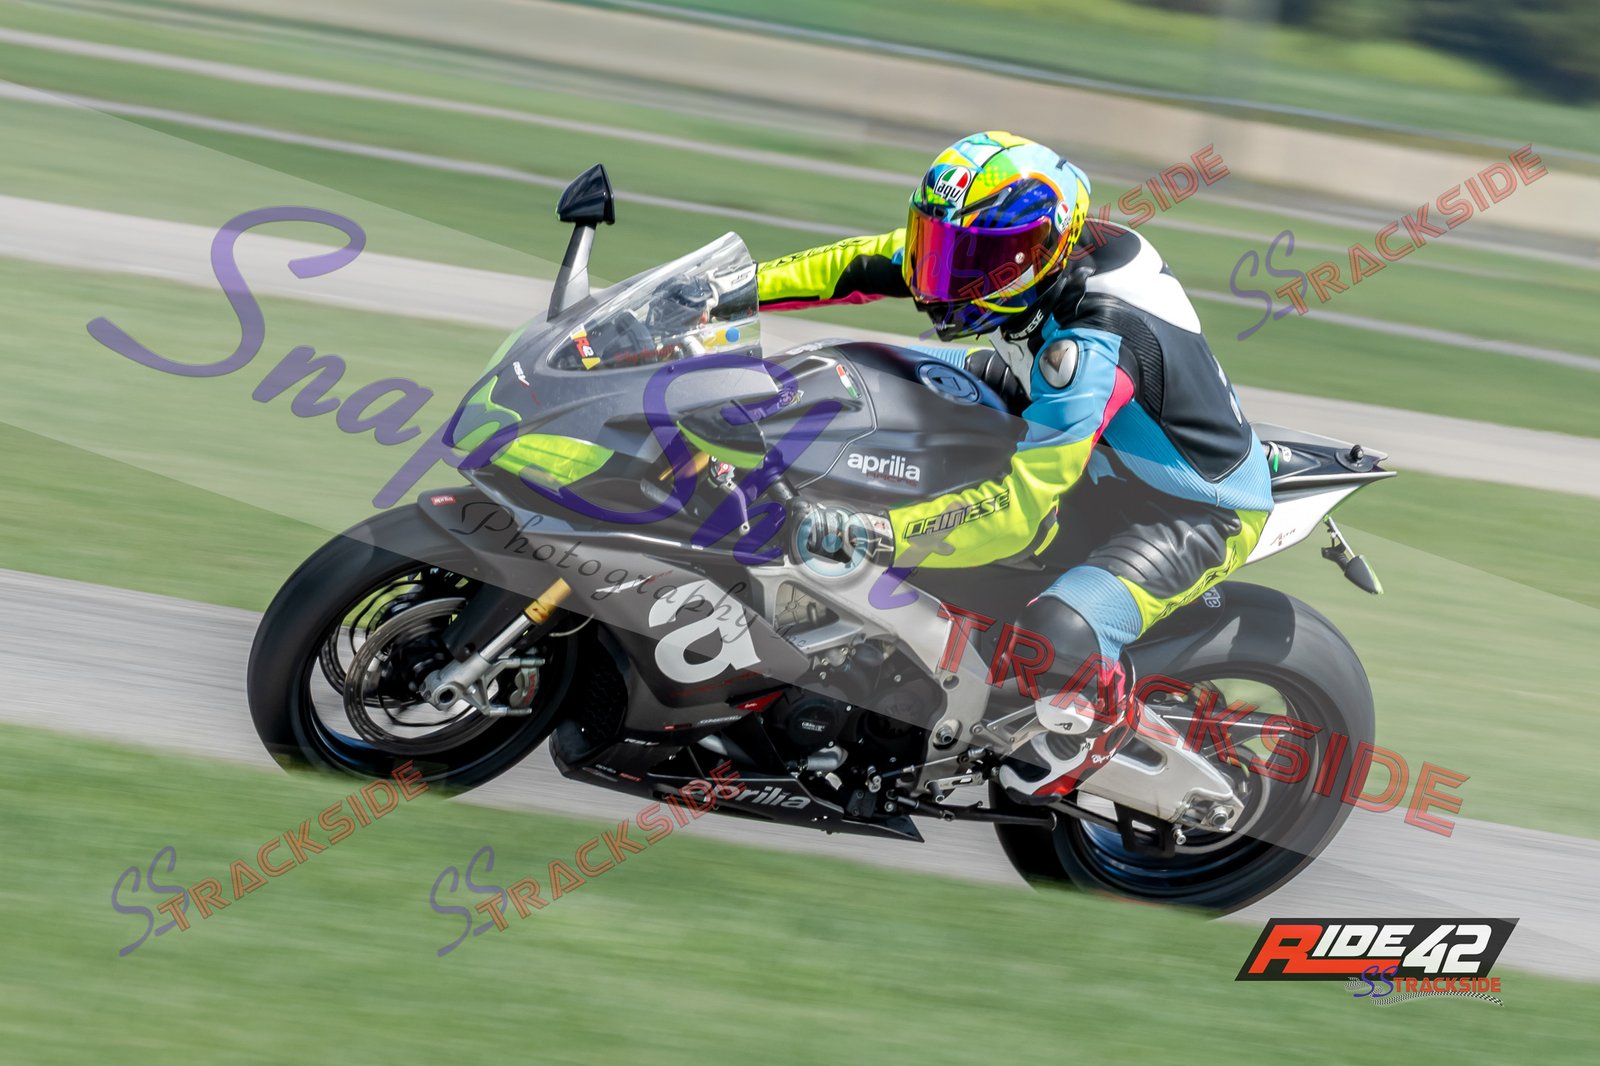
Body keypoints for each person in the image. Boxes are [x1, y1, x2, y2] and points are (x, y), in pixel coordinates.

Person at [754, 131, 1274, 802]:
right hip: (1066, 421)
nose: (946, 275)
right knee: (853, 373)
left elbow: (1017, 512)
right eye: (943, 247)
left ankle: (1101, 725)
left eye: (974, 259)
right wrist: (732, 292)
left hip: (1186, 508)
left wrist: (875, 536)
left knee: (1057, 635)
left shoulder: (1091, 343)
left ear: (1040, 252)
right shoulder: (999, 256)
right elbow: (854, 264)